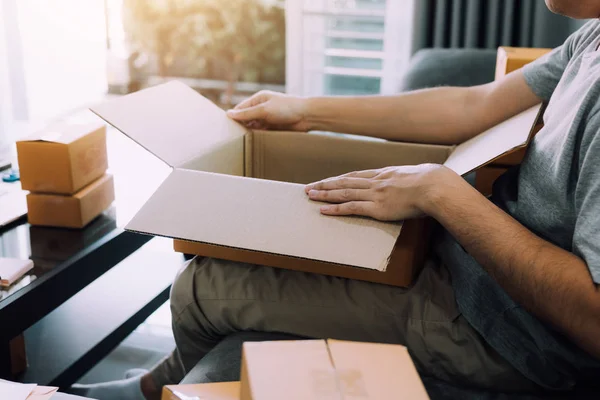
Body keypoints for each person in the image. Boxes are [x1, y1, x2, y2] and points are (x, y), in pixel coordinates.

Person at [75, 2, 600, 399]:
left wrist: (442, 193)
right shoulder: (589, 39)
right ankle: (159, 382)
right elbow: (473, 104)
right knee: (215, 259)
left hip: (508, 335)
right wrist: (307, 111)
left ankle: (153, 390)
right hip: (462, 265)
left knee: (202, 286)